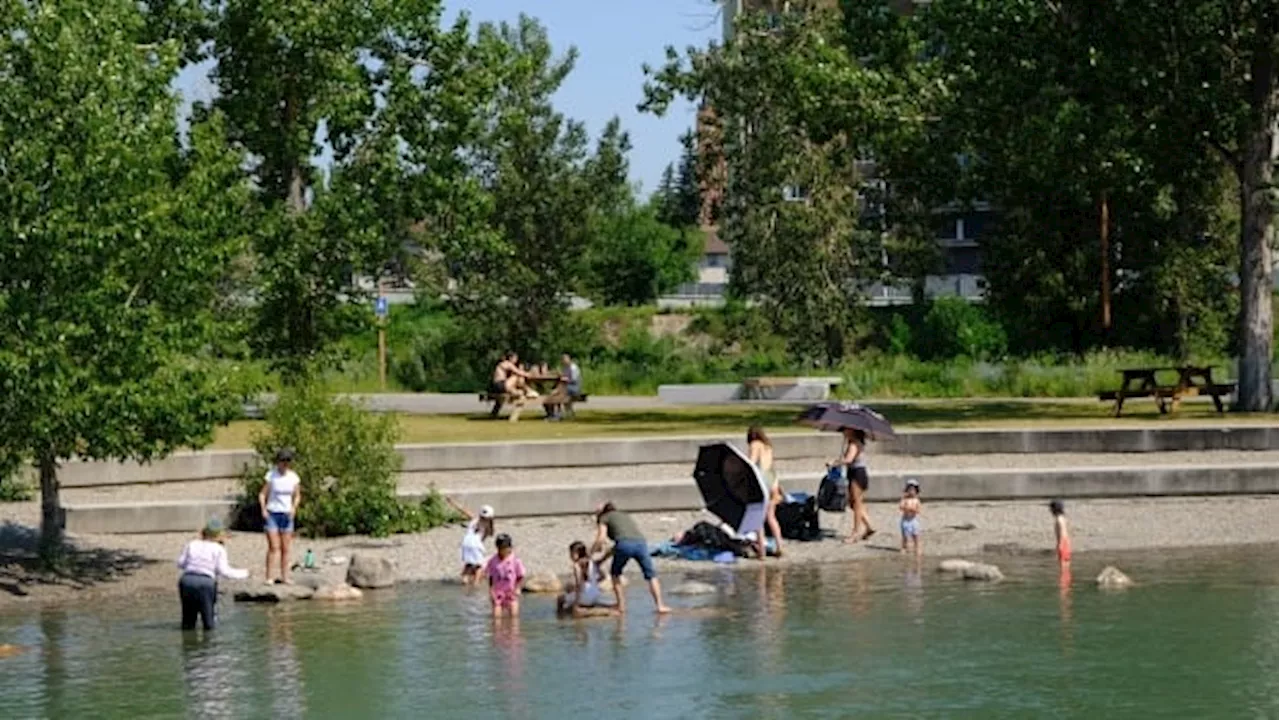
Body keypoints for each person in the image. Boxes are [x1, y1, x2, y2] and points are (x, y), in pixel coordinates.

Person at [592, 501, 671, 614]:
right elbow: (619, 544)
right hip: (641, 543)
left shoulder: (604, 518)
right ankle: (660, 606)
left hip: (624, 545)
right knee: (651, 575)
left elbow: (601, 539)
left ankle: (621, 606)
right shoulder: (623, 515)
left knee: (615, 574)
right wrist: (601, 560)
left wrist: (590, 553)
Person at [176, 518, 249, 631]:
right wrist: (244, 573)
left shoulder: (192, 544)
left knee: (188, 620)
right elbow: (224, 571)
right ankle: (209, 646)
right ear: (219, 535)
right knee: (208, 620)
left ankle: (188, 645)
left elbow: (180, 563)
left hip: (187, 581)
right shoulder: (218, 549)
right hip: (206, 583)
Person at [258, 448, 302, 585]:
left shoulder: (293, 477)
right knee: (273, 546)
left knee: (286, 548)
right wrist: (264, 509)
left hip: (287, 514)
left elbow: (297, 495)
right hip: (272, 513)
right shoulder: (271, 476)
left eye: (288, 461)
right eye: (283, 461)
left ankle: (285, 576)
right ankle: (269, 576)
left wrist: (294, 508)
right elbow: (262, 494)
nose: (285, 464)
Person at [747, 426, 784, 559]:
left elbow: (751, 463)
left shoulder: (754, 444)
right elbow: (770, 466)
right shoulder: (768, 446)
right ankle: (780, 547)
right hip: (772, 478)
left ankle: (761, 551)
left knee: (758, 517)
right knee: (771, 516)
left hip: (761, 479)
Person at [836, 428, 876, 543]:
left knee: (856, 503)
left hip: (857, 474)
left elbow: (849, 460)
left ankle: (855, 533)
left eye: (845, 430)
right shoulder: (854, 443)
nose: (843, 432)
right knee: (854, 503)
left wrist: (836, 462)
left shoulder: (854, 444)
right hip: (856, 473)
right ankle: (869, 526)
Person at [557, 541, 615, 616]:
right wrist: (593, 583)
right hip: (595, 594)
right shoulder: (592, 562)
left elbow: (579, 584)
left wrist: (576, 604)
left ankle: (561, 619)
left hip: (585, 595)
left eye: (571, 553)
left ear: (576, 553)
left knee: (560, 599)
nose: (570, 556)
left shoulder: (577, 565)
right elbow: (603, 576)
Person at [447, 498, 495, 586]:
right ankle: (476, 584)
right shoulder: (488, 526)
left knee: (469, 563)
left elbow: (463, 510)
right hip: (475, 544)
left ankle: (464, 581)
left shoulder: (474, 519)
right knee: (479, 566)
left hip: (465, 543)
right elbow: (482, 540)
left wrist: (452, 503)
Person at [485, 534, 526, 618]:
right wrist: (491, 591)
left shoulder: (515, 560)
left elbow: (520, 576)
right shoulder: (493, 560)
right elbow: (491, 577)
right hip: (498, 592)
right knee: (497, 617)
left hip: (511, 592)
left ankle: (513, 630)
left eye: (505, 547)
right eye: (500, 548)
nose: (503, 550)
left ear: (510, 547)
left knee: (514, 617)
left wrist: (518, 588)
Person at [899, 479, 922, 557]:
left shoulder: (917, 500)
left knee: (916, 535)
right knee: (905, 535)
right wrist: (906, 507)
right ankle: (904, 547)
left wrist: (914, 509)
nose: (911, 492)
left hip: (913, 520)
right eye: (909, 489)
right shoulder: (905, 499)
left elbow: (919, 510)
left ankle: (917, 547)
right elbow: (901, 507)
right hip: (905, 520)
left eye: (913, 490)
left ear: (916, 491)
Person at [1050, 499, 1071, 566]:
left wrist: (1059, 545)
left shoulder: (1059, 519)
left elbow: (1062, 533)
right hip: (1066, 542)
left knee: (1063, 564)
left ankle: (1064, 576)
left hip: (1063, 542)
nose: (1050, 511)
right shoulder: (1063, 518)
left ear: (1055, 509)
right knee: (1066, 564)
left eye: (1051, 508)